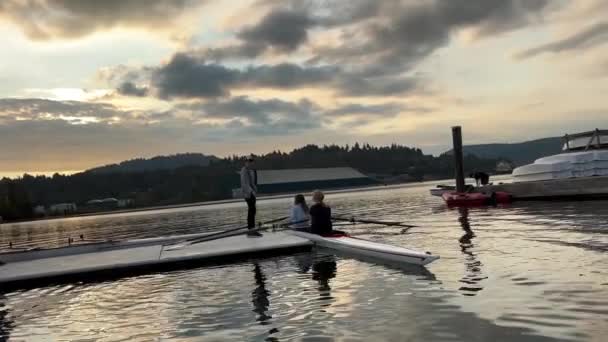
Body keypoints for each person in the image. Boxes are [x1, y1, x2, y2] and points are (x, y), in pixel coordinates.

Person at [241, 155, 261, 237]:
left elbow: (252, 182)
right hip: (248, 194)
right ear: (246, 162)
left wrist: (255, 190)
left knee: (253, 211)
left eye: (251, 161)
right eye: (248, 161)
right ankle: (250, 230)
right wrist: (251, 192)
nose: (250, 162)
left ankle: (252, 229)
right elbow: (244, 183)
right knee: (251, 211)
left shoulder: (251, 170)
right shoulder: (244, 170)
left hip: (252, 193)